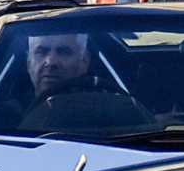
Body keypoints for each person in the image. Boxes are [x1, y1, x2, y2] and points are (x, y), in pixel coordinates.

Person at [12, 24, 150, 135]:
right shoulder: (2, 120)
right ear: (29, 62)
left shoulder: (112, 112)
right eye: (41, 52)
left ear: (84, 61)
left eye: (63, 52)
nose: (51, 61)